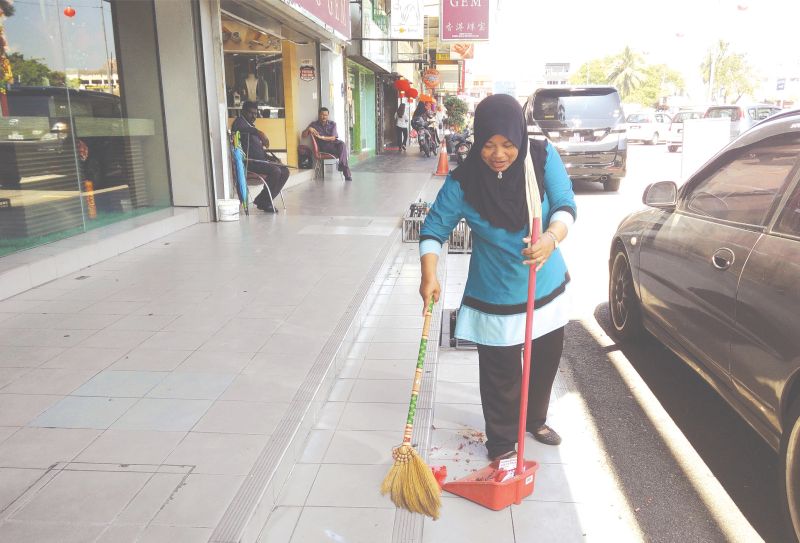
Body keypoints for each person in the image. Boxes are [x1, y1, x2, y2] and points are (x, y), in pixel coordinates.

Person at [418, 94, 577, 461]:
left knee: (544, 359)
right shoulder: (464, 181)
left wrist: (551, 239)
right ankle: (503, 443)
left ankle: (534, 419)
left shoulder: (541, 157)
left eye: (507, 144)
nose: (499, 153)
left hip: (545, 283)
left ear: (519, 137)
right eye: (489, 144)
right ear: (478, 140)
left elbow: (566, 202)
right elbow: (433, 229)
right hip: (496, 291)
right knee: (500, 373)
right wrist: (428, 274)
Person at [231, 101, 289, 213]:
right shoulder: (239, 122)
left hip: (261, 161)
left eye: (255, 114)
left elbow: (258, 150)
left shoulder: (250, 125)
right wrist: (259, 133)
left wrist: (271, 158)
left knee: (285, 171)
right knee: (275, 171)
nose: (253, 116)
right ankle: (264, 201)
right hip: (250, 163)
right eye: (250, 113)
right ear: (243, 111)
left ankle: (263, 200)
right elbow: (239, 129)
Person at [302, 107, 352, 181]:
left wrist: (322, 137)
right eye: (322, 115)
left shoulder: (332, 124)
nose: (324, 117)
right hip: (324, 147)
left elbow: (333, 138)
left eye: (326, 115)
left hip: (334, 144)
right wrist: (309, 129)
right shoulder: (314, 124)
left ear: (328, 115)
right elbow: (303, 135)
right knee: (343, 152)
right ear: (319, 115)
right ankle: (346, 172)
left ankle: (342, 165)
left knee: (342, 145)